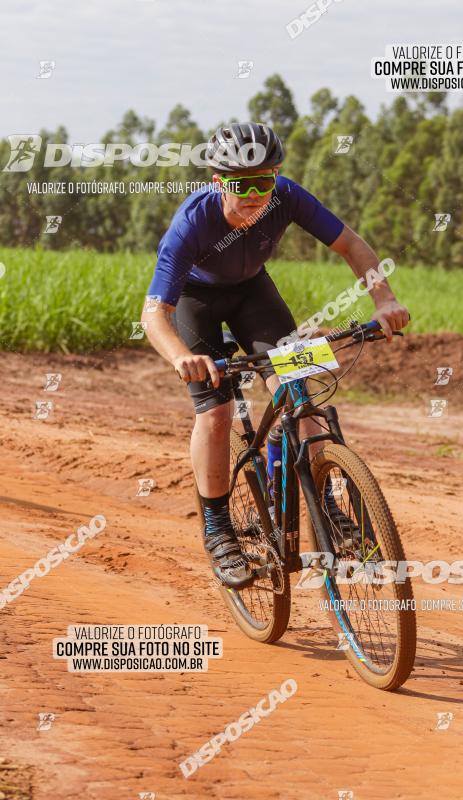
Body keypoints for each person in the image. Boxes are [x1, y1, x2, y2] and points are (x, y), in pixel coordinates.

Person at [142, 122, 409, 588]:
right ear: (218, 183)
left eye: (264, 181)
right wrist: (181, 356)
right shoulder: (191, 225)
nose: (255, 195)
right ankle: (218, 529)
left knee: (297, 392)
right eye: (242, 185)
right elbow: (153, 314)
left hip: (254, 295)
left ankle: (325, 502)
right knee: (217, 412)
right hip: (196, 302)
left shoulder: (285, 196)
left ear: (276, 177)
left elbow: (351, 245)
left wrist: (384, 300)